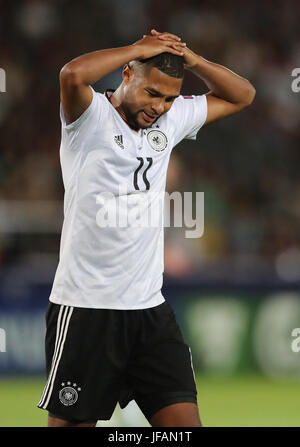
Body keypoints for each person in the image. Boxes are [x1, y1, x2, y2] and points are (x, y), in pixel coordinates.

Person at [37, 29, 255, 427]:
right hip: (88, 308)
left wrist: (192, 59)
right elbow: (72, 74)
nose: (161, 106)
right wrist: (141, 49)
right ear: (127, 74)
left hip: (148, 310)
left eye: (170, 98)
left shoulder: (172, 118)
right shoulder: (89, 116)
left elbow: (243, 95)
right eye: (153, 93)